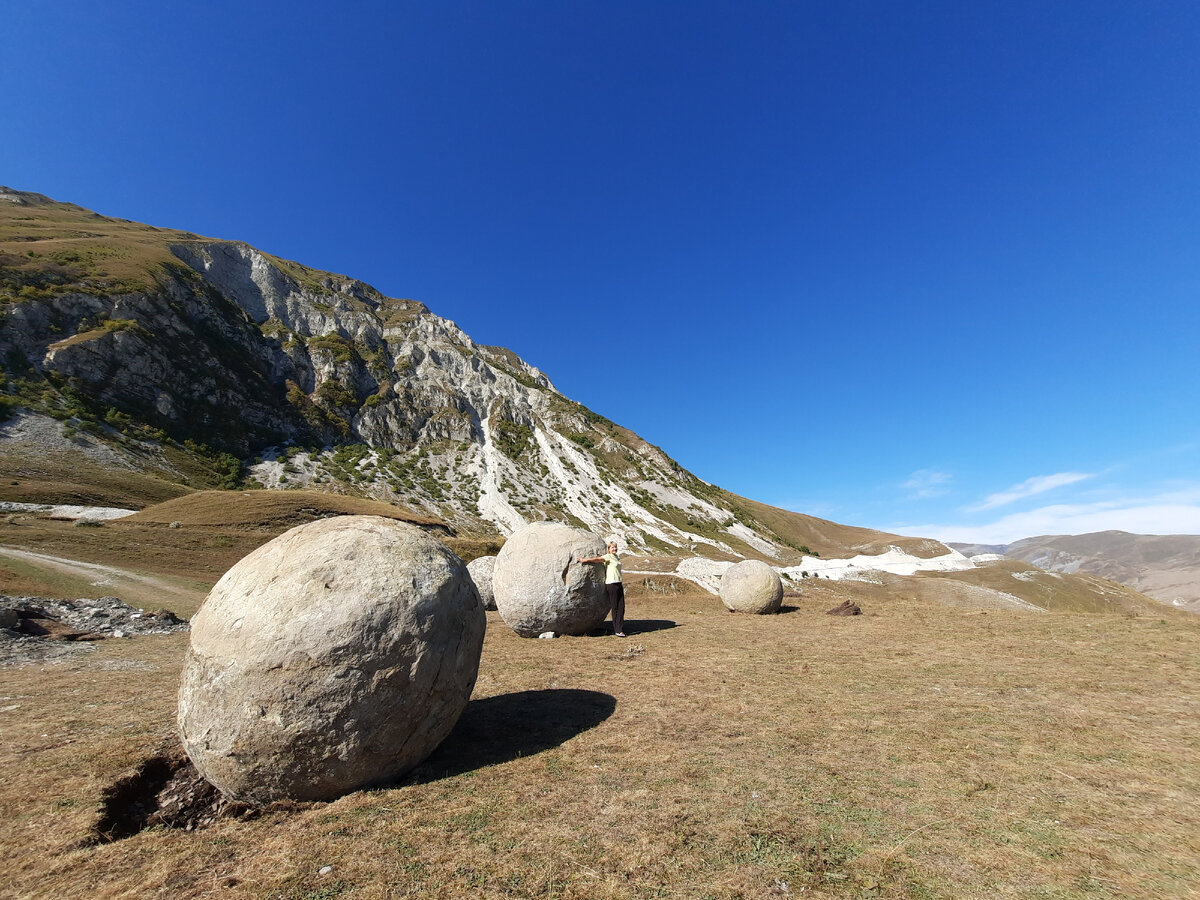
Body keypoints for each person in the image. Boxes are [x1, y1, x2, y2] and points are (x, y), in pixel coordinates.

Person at [578, 540, 625, 637]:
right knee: (615, 607)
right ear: (609, 549)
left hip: (619, 583)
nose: (614, 549)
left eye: (615, 547)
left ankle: (620, 627)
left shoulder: (616, 557)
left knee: (622, 607)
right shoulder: (608, 556)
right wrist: (585, 560)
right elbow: (597, 559)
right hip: (611, 584)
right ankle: (617, 629)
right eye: (612, 547)